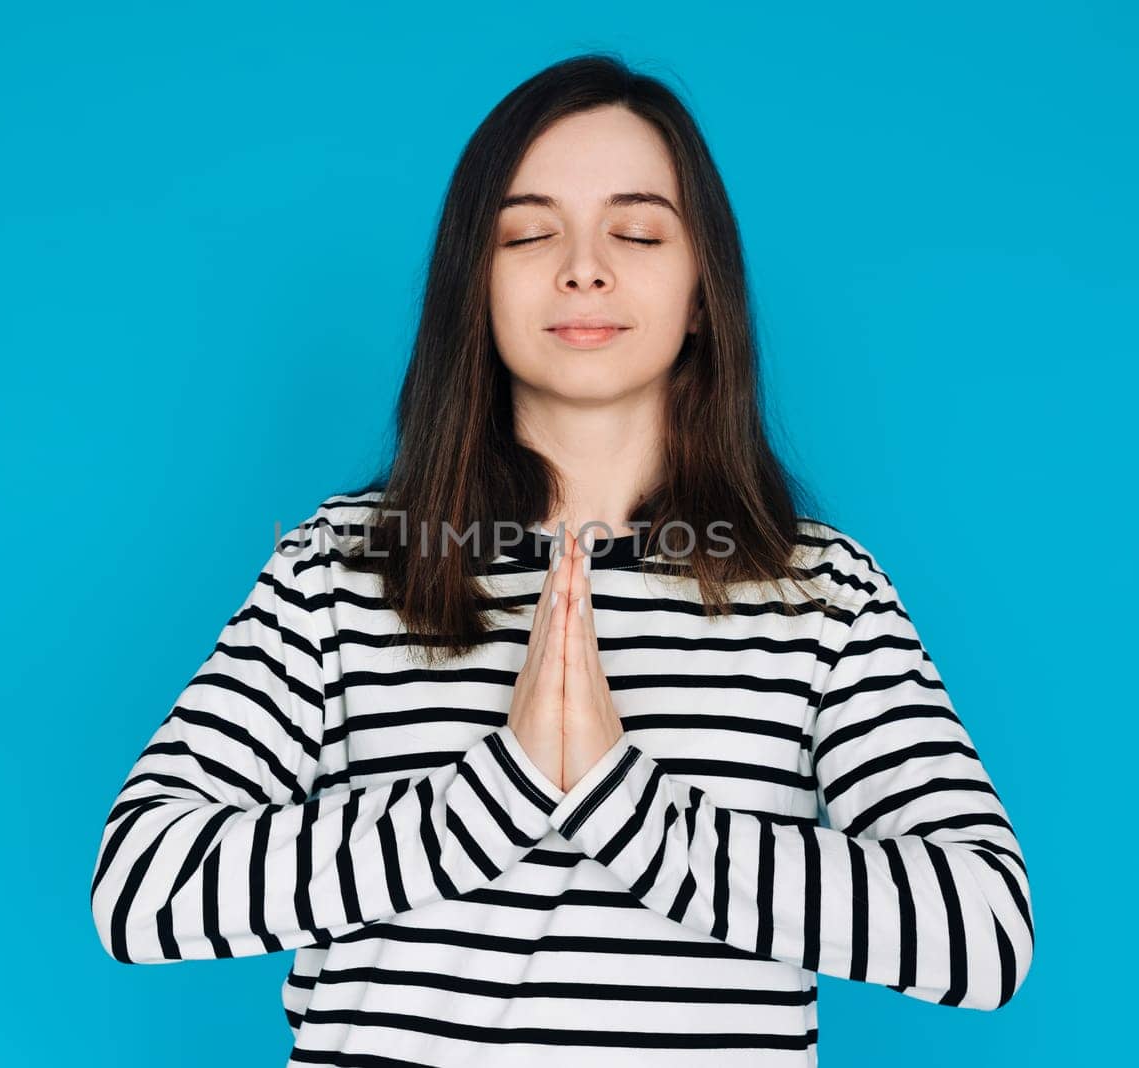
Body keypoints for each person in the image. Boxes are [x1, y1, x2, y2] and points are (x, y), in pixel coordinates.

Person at [90, 52, 1034, 1066]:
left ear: (702, 291)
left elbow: (982, 933)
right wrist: (497, 790)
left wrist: (626, 803)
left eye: (635, 231)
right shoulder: (340, 571)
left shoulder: (821, 593)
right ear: (475, 290)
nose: (583, 267)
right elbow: (142, 889)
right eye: (529, 233)